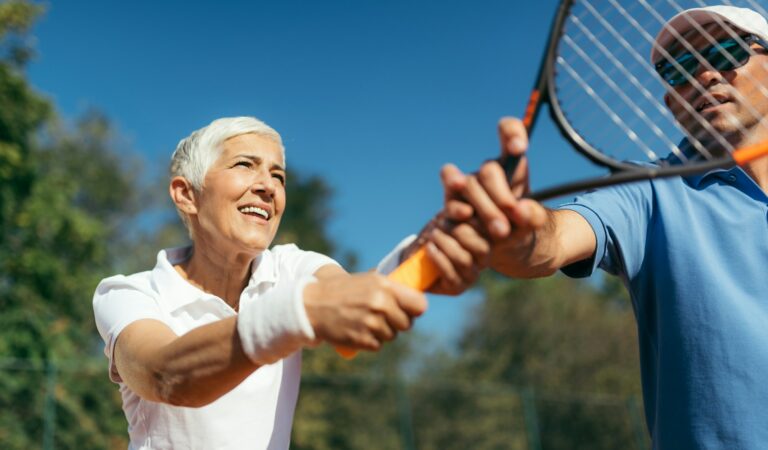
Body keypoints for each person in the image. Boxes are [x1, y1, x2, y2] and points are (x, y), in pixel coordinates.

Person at [431, 5, 768, 449]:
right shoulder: (647, 191)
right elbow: (549, 242)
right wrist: (516, 233)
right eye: (681, 67)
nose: (704, 75)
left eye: (726, 53)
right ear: (671, 103)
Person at [92, 116, 488, 449]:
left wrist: (427, 251)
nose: (268, 186)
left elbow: (351, 305)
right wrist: (299, 310)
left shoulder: (294, 267)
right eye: (245, 165)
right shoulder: (128, 293)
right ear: (186, 195)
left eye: (278, 175)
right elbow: (164, 374)